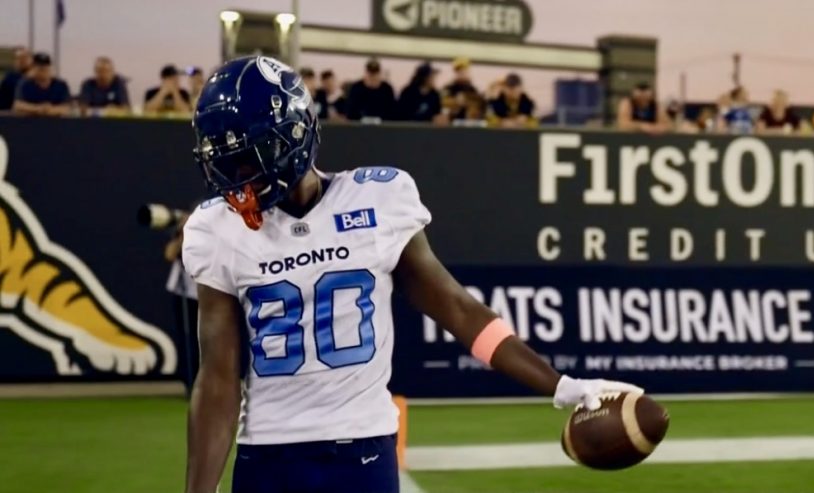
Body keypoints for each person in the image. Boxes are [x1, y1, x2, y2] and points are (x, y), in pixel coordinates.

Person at [183, 56, 640, 493]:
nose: (235, 178)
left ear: (295, 134)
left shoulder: (378, 199)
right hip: (266, 457)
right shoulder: (216, 227)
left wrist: (558, 384)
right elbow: (218, 378)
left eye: (247, 159)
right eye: (223, 161)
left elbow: (459, 311)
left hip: (361, 452)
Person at [12, 53, 72, 117]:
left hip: (56, 122)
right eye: (40, 68)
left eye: (46, 68)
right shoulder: (25, 84)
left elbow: (66, 108)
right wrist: (38, 109)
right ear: (33, 68)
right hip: (31, 122)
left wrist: (49, 110)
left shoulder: (61, 85)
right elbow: (17, 106)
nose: (43, 71)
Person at [344, 58, 396, 122]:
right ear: (366, 73)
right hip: (359, 125)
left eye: (375, 73)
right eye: (370, 74)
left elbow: (392, 112)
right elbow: (350, 112)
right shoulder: (356, 88)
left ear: (379, 74)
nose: (373, 76)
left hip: (382, 125)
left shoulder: (387, 89)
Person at [0, 46, 32, 111]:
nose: (22, 61)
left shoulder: (38, 77)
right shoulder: (9, 78)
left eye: (24, 58)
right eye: (18, 58)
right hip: (13, 113)